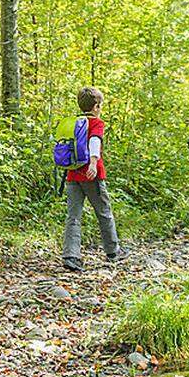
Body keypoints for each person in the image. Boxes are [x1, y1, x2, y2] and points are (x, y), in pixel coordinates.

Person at [62, 87, 120, 272]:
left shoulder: (73, 123)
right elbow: (95, 141)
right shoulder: (96, 123)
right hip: (91, 174)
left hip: (72, 174)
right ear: (96, 107)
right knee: (104, 212)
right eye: (100, 105)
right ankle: (113, 251)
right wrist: (93, 163)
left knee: (73, 216)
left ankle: (71, 256)